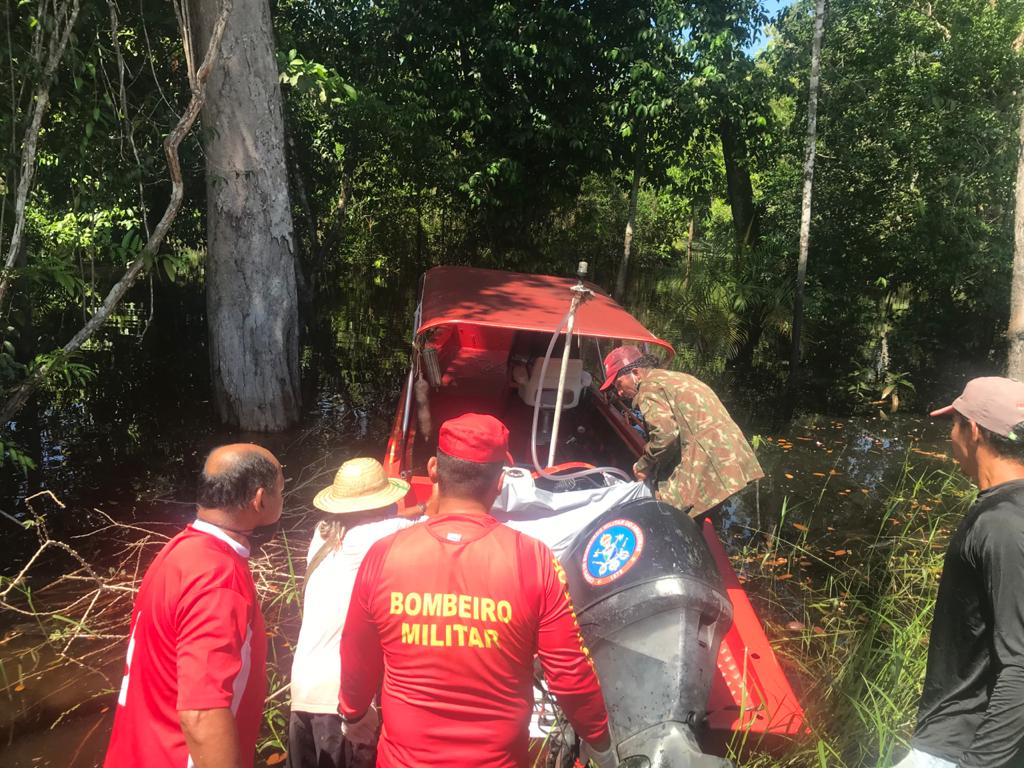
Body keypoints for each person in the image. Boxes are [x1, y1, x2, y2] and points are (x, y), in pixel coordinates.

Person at [338, 413, 614, 768]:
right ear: (500, 483)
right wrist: (600, 742)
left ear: (434, 469)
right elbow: (569, 671)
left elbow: (357, 654)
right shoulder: (533, 559)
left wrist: (354, 712)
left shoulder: (384, 554)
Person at [103, 443, 285, 768]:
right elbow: (202, 713)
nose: (283, 497)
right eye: (281, 490)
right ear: (260, 499)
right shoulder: (218, 578)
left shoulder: (181, 551)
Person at [894, 377, 1024, 768]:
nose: (950, 437)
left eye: (954, 425)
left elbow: (1020, 663)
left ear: (974, 430)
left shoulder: (1003, 524)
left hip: (962, 745)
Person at [287, 457, 414, 768]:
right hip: (339, 699)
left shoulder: (323, 534)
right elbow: (436, 522)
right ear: (382, 505)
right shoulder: (380, 536)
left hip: (302, 691)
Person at [599, 345, 763, 518]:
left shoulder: (649, 387)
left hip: (710, 462)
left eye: (619, 384)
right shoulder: (677, 377)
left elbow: (665, 435)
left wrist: (643, 465)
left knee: (668, 513)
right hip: (733, 460)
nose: (619, 392)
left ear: (636, 373)